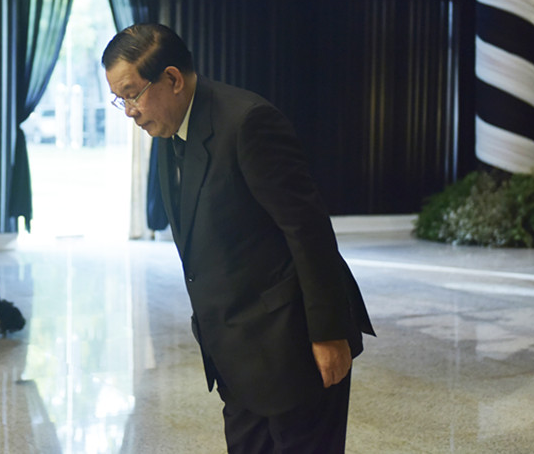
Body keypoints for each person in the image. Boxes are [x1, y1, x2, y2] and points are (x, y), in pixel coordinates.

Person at [102, 23, 374, 453]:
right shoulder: (170, 133)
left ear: (172, 79)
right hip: (237, 355)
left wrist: (328, 334)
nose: (129, 111)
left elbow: (308, 232)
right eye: (120, 99)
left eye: (132, 94)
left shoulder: (247, 122)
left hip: (294, 346)